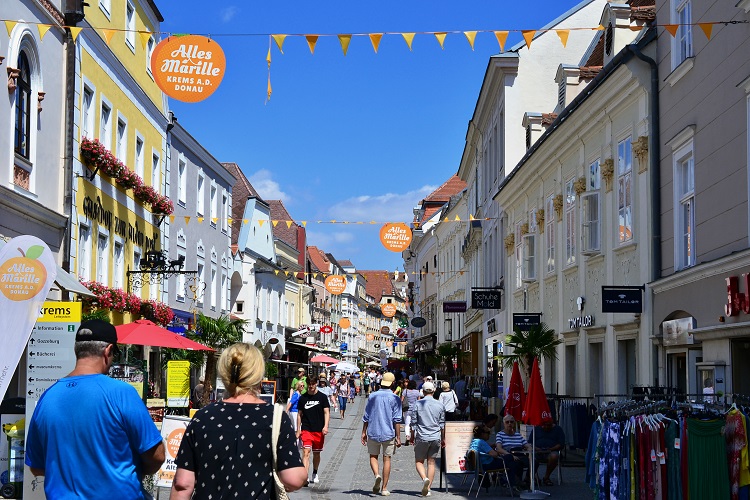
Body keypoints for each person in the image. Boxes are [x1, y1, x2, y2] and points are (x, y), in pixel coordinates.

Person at [25, 319, 166, 499]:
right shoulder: (122, 393)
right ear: (108, 351)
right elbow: (156, 456)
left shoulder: (47, 397)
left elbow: (36, 466)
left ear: (77, 350)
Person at [171, 343, 306, 498]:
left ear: (224, 372)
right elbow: (293, 479)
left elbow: (182, 483)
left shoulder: (203, 417)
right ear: (258, 374)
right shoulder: (275, 417)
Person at [362, 372, 402, 496]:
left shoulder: (373, 396)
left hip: (373, 430)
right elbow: (397, 419)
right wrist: (398, 437)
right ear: (393, 383)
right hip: (388, 432)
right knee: (387, 459)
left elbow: (366, 415)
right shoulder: (395, 398)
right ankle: (384, 488)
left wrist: (363, 432)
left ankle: (377, 475)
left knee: (373, 456)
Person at [411, 381, 445, 497]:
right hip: (435, 436)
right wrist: (443, 438)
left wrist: (411, 436)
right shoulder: (440, 405)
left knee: (419, 461)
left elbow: (413, 423)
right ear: (434, 391)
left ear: (423, 391)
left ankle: (424, 478)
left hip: (422, 436)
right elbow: (442, 424)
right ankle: (428, 488)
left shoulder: (417, 404)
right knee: (431, 462)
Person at [297, 377, 330, 485]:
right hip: (306, 429)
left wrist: (325, 426)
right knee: (306, 452)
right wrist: (298, 430)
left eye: (312, 384)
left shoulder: (322, 397)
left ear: (316, 384)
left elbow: (326, 412)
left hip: (318, 430)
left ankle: (315, 472)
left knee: (316, 453)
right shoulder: (303, 398)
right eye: (309, 384)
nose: (310, 386)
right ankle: (305, 476)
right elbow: (299, 414)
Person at [468, 425, 520, 492]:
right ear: (482, 434)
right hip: (487, 465)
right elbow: (494, 454)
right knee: (510, 458)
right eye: (488, 433)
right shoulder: (481, 442)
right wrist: (499, 452)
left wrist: (491, 446)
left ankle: (510, 482)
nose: (489, 435)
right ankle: (513, 483)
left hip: (480, 466)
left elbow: (484, 448)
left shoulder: (474, 441)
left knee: (510, 463)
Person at [528, 417, 565, 486]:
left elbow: (561, 444)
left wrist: (551, 449)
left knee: (554, 456)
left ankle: (546, 477)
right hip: (537, 451)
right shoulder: (536, 429)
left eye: (549, 425)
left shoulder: (558, 429)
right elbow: (530, 443)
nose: (546, 427)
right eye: (544, 425)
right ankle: (535, 477)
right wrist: (536, 448)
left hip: (551, 451)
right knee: (530, 457)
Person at [496, 415, 532, 485]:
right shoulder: (500, 434)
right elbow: (499, 448)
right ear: (504, 424)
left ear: (514, 423)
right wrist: (510, 455)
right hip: (508, 456)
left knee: (534, 463)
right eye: (507, 422)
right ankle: (517, 482)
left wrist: (530, 453)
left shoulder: (518, 435)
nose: (509, 424)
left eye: (511, 422)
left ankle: (527, 479)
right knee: (517, 464)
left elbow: (528, 446)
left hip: (520, 455)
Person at [287, 380, 306, 445]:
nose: (302, 387)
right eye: (301, 386)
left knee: (298, 428)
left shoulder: (299, 394)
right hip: (294, 412)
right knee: (296, 428)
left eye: (303, 386)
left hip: (297, 412)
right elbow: (290, 403)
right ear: (298, 386)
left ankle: (299, 442)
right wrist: (286, 411)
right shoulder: (296, 394)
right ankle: (295, 442)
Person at [403, 379, 421, 445]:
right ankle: (415, 437)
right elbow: (419, 401)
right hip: (415, 409)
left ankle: (408, 436)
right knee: (415, 424)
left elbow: (402, 400)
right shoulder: (417, 392)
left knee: (407, 424)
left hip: (407, 409)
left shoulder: (405, 391)